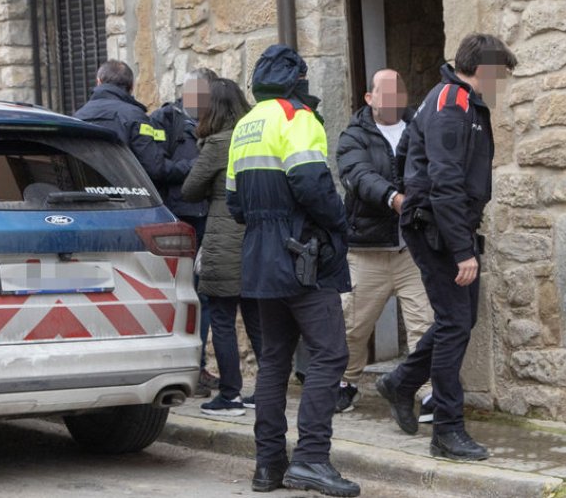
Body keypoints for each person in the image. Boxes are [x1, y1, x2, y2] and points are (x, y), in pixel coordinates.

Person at [374, 34, 516, 462]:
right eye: (500, 75)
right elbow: (445, 181)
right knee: (455, 323)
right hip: (437, 227)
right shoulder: (451, 103)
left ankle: (401, 381)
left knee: (460, 318)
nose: (501, 84)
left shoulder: (460, 101)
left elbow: (427, 167)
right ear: (483, 69)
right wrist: (462, 250)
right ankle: (447, 431)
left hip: (446, 224)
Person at [226, 44, 359, 497]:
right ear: (296, 80)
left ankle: (268, 466)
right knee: (329, 354)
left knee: (274, 361)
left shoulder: (244, 125)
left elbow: (234, 203)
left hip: (259, 257)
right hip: (302, 253)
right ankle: (312, 460)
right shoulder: (296, 116)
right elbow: (310, 183)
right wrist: (339, 220)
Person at [334, 69, 433, 414]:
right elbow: (359, 176)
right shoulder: (353, 136)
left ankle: (426, 391)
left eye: (398, 90)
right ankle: (345, 382)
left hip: (412, 250)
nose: (392, 97)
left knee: (424, 323)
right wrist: (394, 198)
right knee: (352, 327)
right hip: (367, 249)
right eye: (384, 91)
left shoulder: (420, 128)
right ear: (369, 98)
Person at [182, 77, 263, 417]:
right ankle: (266, 391)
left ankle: (230, 394)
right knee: (258, 319)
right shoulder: (255, 136)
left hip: (223, 237)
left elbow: (189, 189)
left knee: (223, 318)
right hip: (257, 237)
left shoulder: (216, 144)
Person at [152, 68, 219, 395]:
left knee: (205, 296)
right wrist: (194, 168)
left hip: (211, 219)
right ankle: (177, 365)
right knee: (179, 295)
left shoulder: (217, 121)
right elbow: (154, 167)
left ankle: (198, 366)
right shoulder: (166, 120)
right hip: (180, 221)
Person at [73, 60, 190, 185]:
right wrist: (192, 166)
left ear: (98, 82)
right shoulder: (134, 116)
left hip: (85, 197)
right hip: (128, 199)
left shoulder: (77, 116)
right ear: (132, 87)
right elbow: (155, 168)